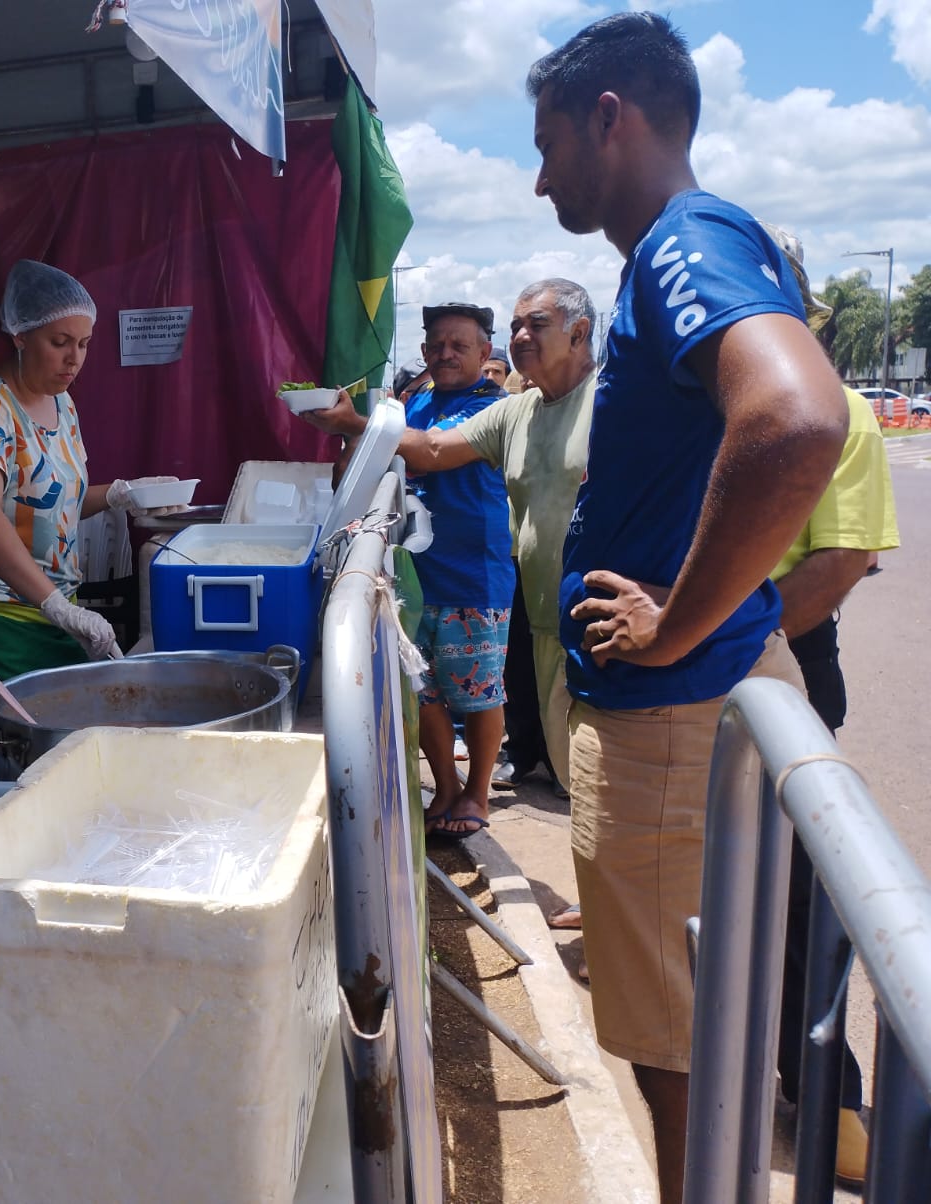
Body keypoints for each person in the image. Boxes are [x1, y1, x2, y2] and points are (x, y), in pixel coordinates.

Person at [525, 15, 848, 1200]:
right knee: (696, 1037)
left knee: (678, 1054)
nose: (542, 172)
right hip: (683, 712)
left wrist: (682, 619)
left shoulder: (682, 240)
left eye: (550, 141)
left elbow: (798, 417)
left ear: (612, 115)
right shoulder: (675, 249)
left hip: (672, 716)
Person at [0, 260, 180, 780]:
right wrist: (56, 604)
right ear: (21, 336)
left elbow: (50, 501)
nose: (75, 359)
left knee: (46, 771)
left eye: (85, 344)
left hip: (47, 619)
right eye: (60, 342)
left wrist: (118, 496)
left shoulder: (61, 404)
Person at [761, 222, 899, 1186]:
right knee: (707, 880)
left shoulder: (842, 413)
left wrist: (719, 640)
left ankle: (825, 1094)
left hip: (782, 662)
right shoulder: (680, 410)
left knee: (807, 899)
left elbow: (840, 563)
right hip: (684, 657)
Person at [304, 301, 512, 840]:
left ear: (484, 353)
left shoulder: (492, 407)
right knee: (425, 691)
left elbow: (431, 454)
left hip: (473, 576)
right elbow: (370, 465)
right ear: (423, 352)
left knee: (479, 692)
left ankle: (478, 791)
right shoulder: (412, 404)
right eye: (437, 345)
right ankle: (445, 785)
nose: (445, 354)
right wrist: (352, 438)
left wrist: (359, 423)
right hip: (414, 576)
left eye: (459, 345)